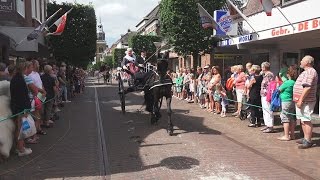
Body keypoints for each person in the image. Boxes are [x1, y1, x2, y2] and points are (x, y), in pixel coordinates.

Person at [293, 55, 318, 149]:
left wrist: (300, 100)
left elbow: (307, 87)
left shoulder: (311, 72)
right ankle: (305, 138)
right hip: (302, 101)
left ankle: (308, 140)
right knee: (302, 120)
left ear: (307, 62)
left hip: (306, 101)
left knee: (306, 120)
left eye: (302, 60)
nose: (300, 62)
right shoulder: (306, 72)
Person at [10, 61, 32, 156]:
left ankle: (18, 147)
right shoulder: (20, 80)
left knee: (18, 128)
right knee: (20, 129)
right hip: (20, 108)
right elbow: (22, 96)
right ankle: (21, 149)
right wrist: (26, 108)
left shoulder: (15, 79)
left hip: (16, 107)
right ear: (23, 69)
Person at [278, 66, 297, 141]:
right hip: (292, 101)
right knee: (292, 118)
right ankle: (292, 135)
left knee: (285, 117)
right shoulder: (294, 82)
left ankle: (286, 135)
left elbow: (279, 89)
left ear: (288, 74)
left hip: (286, 101)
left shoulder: (287, 82)